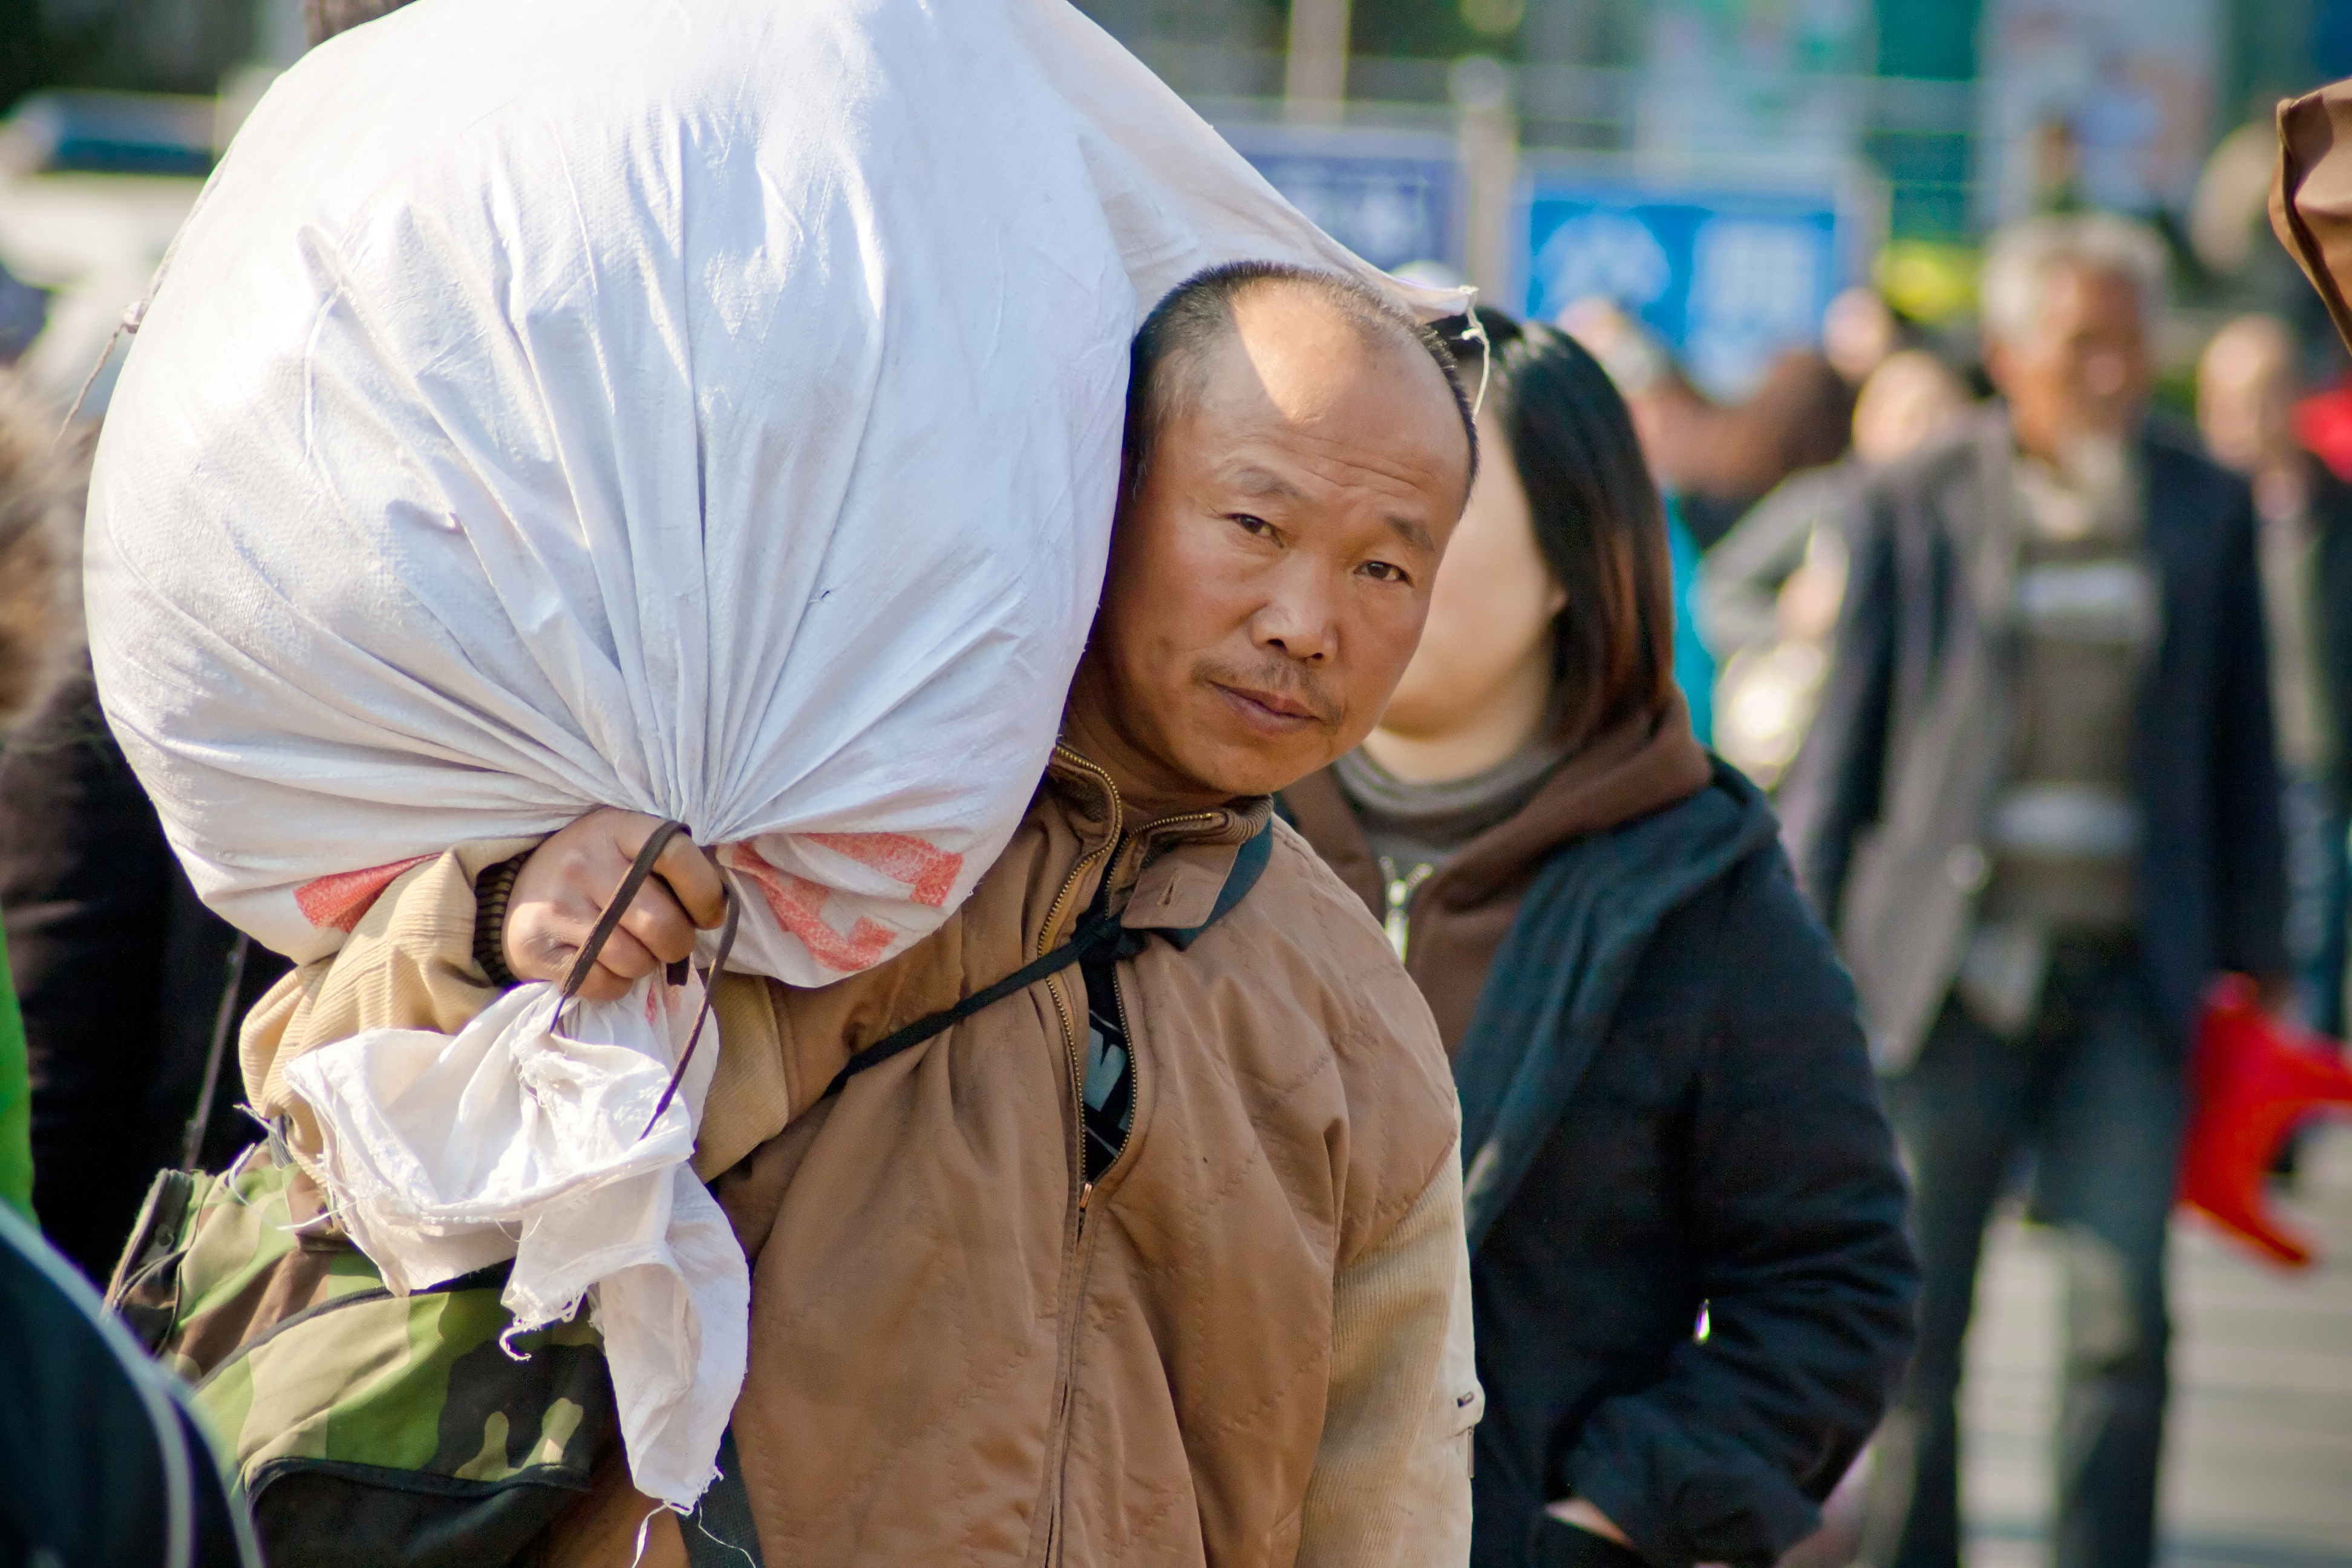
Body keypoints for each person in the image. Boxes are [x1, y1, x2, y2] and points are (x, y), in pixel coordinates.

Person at [232, 262, 1485, 1566]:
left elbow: (1386, 1501)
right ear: (1102, 493)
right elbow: (345, 1109)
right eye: (1253, 525)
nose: (1305, 624)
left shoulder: (1357, 1024)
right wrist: (500, 926)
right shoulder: (817, 837)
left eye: (1386, 569)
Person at [1279, 310, 1918, 1568]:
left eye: (1427, 522)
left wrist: (1612, 1516)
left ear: (1576, 557)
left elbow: (1833, 1293)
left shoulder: (1695, 892)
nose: (1366, 565)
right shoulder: (1196, 837)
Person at [1780, 214, 2288, 1568]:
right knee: (1920, 1328)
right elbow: (1849, 747)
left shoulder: (2204, 504)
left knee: (2124, 1318)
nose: (2118, 372)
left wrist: (2264, 956)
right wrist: (1800, 962)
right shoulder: (1912, 499)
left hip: (2130, 971)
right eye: (2083, 345)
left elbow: (2246, 738)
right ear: (2010, 356)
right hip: (1946, 975)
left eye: (2134, 341)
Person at [1701, 350, 1973, 787]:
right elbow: (1718, 590)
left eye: (1939, 414)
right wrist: (1787, 621)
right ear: (1866, 424)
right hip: (1820, 748)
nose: (1923, 433)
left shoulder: (1982, 524)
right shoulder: (1823, 504)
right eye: (1907, 416)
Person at [2198, 314, 2352, 1040]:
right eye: (2227, 401)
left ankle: (2297, 1093)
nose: (2244, 421)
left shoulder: (2330, 511)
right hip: (2218, 756)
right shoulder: (2187, 516)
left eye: (2261, 396)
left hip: (2314, 748)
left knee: (2316, 926)